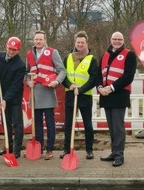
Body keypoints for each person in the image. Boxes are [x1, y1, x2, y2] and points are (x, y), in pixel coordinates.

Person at [98, 31, 137, 167]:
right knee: (111, 127)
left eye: (119, 39)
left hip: (119, 95)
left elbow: (128, 76)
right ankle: (114, 152)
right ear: (111, 39)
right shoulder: (104, 55)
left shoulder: (129, 55)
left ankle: (119, 155)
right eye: (115, 39)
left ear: (123, 40)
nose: (117, 41)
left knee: (118, 126)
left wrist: (111, 88)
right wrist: (99, 87)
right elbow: (98, 74)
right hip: (106, 96)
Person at [26, 30, 66, 160]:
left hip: (48, 91)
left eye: (40, 39)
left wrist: (57, 81)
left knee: (50, 124)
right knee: (37, 125)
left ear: (44, 40)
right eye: (36, 39)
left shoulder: (53, 52)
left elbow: (62, 70)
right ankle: (38, 148)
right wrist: (28, 82)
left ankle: (49, 149)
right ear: (33, 40)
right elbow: (27, 72)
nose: (38, 41)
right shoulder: (29, 54)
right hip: (35, 93)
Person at [60, 31, 98, 160]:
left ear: (86, 43)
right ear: (75, 43)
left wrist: (81, 90)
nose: (80, 44)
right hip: (71, 94)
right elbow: (63, 75)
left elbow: (94, 79)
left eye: (82, 42)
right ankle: (67, 149)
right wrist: (70, 86)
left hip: (85, 95)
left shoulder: (91, 59)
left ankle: (89, 150)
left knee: (87, 124)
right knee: (69, 124)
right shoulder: (68, 58)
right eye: (78, 42)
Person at [0, 37, 26, 158]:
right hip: (1, 95)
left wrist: (6, 99)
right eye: (10, 48)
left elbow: (15, 86)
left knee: (17, 124)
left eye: (14, 49)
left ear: (18, 50)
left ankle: (17, 150)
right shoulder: (0, 57)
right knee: (5, 123)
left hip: (14, 99)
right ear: (6, 46)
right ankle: (8, 146)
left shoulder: (20, 65)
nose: (11, 51)